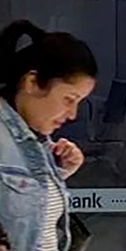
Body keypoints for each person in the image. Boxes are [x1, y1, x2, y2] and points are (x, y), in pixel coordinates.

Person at [0, 19, 98, 251]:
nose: (72, 114)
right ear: (32, 82)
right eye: (68, 99)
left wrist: (58, 172)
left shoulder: (35, 143)